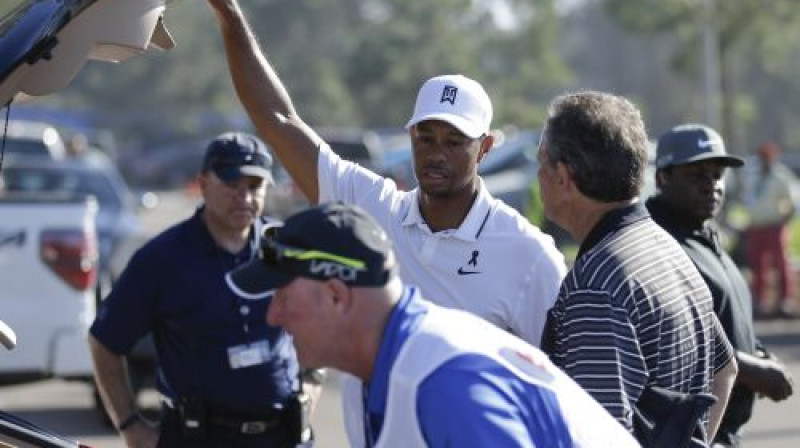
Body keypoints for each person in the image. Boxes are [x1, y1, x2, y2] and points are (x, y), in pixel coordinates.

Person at [204, 0, 567, 348]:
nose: (436, 154)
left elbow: (564, 385)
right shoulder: (371, 210)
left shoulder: (527, 254)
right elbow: (278, 120)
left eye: (454, 142)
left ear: (485, 147)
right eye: (426, 138)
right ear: (411, 135)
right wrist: (229, 14)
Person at [225, 201, 640, 448]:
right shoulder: (413, 357)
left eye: (282, 295)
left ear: (337, 295)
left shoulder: (443, 384)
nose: (273, 315)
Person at [88, 132, 322, 448]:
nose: (245, 198)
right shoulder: (163, 259)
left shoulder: (285, 246)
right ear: (203, 183)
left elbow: (325, 318)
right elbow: (104, 342)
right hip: (198, 438)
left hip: (284, 436)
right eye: (232, 184)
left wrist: (312, 381)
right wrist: (129, 424)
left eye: (254, 187)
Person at [536, 91, 738, 447]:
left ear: (563, 177)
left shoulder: (596, 287)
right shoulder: (663, 246)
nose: (538, 176)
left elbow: (599, 436)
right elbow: (725, 371)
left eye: (542, 163)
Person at [646, 124, 794, 447]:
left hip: (722, 432)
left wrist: (758, 353)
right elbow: (671, 340)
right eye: (697, 175)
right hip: (687, 434)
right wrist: (752, 369)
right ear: (662, 178)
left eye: (717, 175)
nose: (711, 185)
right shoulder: (656, 243)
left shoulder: (702, 234)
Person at [742, 141, 798, 318]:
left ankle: (785, 300)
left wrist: (785, 219)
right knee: (758, 265)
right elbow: (747, 198)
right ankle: (759, 300)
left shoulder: (781, 176)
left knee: (781, 263)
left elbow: (790, 200)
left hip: (775, 225)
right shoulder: (753, 176)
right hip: (757, 226)